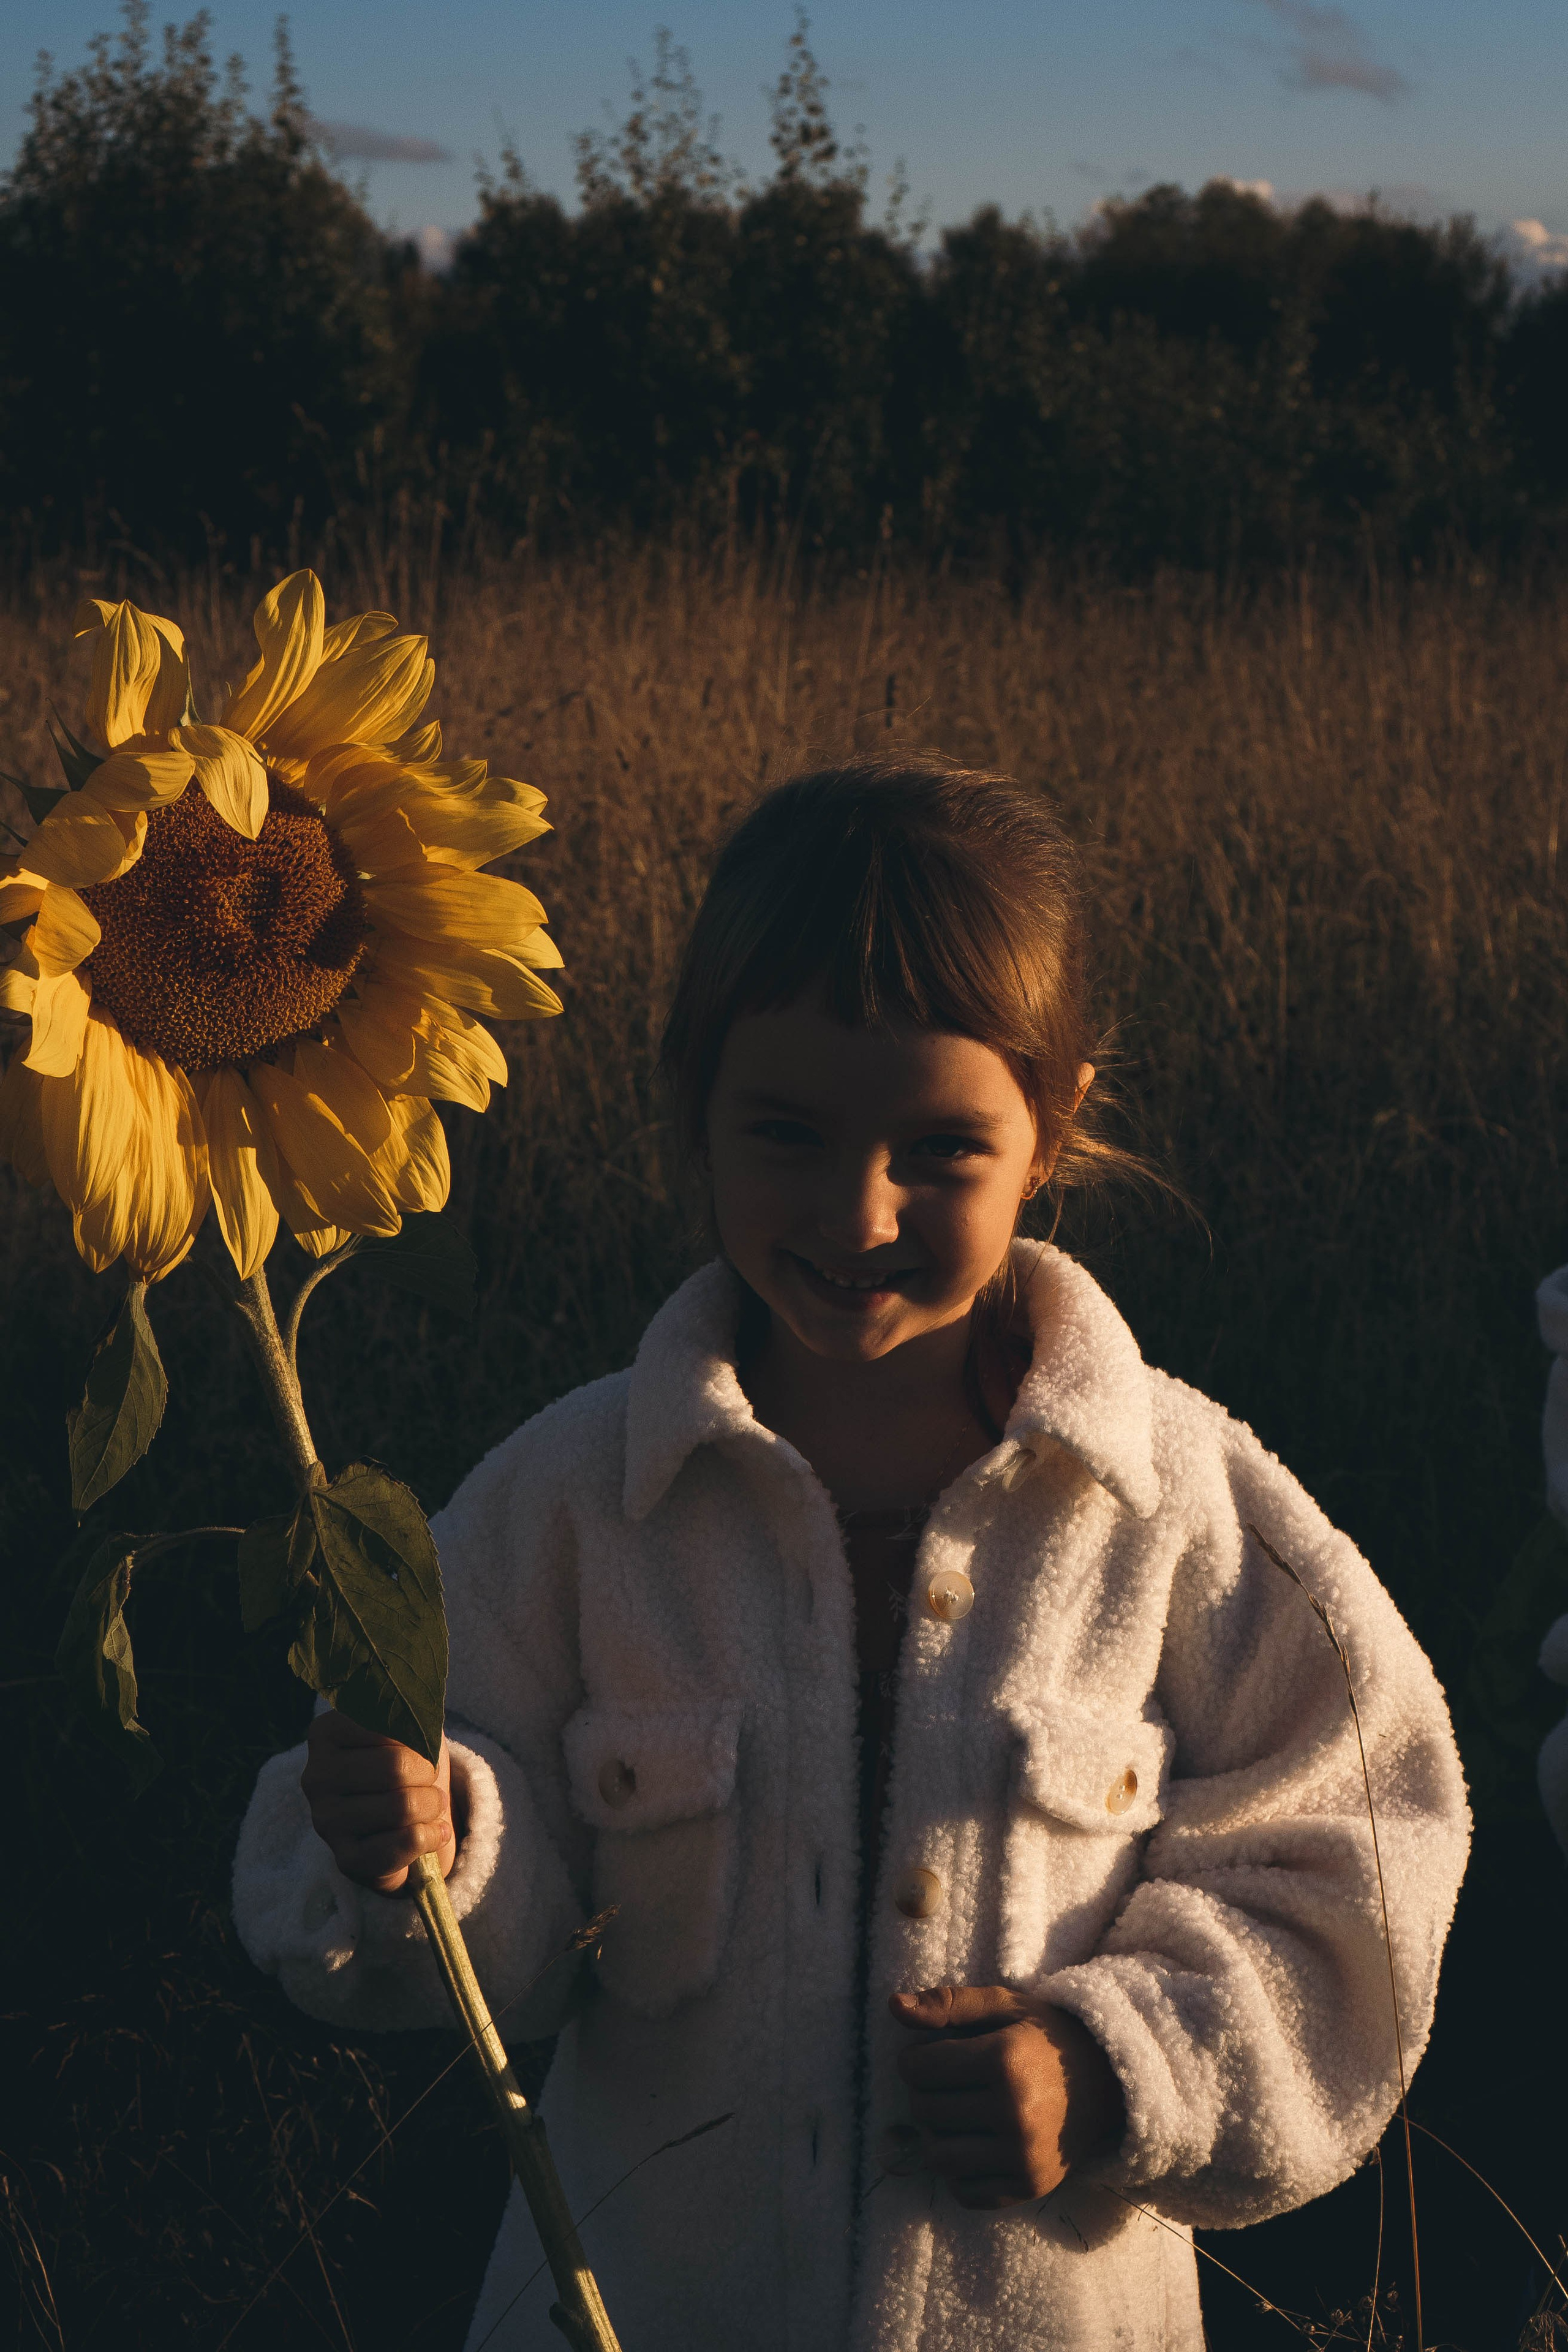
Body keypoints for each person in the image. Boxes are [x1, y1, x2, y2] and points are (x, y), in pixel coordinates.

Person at [234, 755, 1470, 2352]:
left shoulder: (1187, 1513)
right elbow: (487, 1935)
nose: (859, 1207)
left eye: (941, 1147)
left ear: (1057, 1124)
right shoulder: (571, 1502)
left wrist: (1109, 2067)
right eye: (790, 1132)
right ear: (694, 1105)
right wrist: (435, 1833)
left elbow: (1357, 1862)